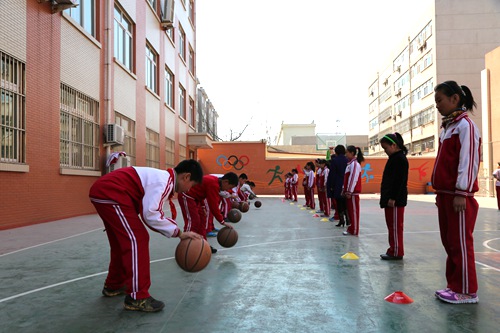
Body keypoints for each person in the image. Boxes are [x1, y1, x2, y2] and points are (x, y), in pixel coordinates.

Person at [89, 159, 203, 312]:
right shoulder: (163, 181)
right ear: (186, 177)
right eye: (192, 185)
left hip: (107, 192)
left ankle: (114, 285)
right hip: (111, 194)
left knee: (120, 242)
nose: (189, 190)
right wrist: (179, 233)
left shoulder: (162, 178)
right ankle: (138, 297)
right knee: (138, 239)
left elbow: (147, 209)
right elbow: (151, 214)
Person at [432, 80, 481, 304]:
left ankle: (467, 290)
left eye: (439, 100)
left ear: (454, 99)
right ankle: (454, 285)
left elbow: (468, 161)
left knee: (461, 242)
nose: (437, 106)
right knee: (450, 242)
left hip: (458, 196)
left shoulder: (465, 126)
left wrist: (462, 192)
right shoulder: (448, 127)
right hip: (445, 195)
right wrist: (440, 192)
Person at [178, 172, 238, 253]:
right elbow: (213, 205)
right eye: (228, 187)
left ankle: (203, 244)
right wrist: (222, 221)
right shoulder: (213, 184)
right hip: (186, 196)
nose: (227, 190)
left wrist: (202, 206)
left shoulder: (215, 182)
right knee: (193, 221)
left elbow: (201, 192)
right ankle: (185, 246)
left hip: (196, 199)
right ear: (225, 182)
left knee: (203, 219)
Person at [379, 133, 409, 260]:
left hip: (395, 200)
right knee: (391, 226)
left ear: (394, 145)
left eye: (386, 148)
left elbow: (399, 181)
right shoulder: (394, 158)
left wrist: (393, 198)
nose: (385, 151)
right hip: (390, 199)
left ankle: (396, 251)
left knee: (395, 227)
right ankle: (393, 249)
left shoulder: (400, 159)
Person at [342, 146, 364, 236]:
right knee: (351, 211)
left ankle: (354, 230)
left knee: (354, 211)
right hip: (350, 192)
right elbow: (346, 179)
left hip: (353, 192)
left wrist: (349, 191)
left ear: (352, 153)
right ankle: (352, 228)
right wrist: (344, 189)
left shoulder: (354, 164)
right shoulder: (350, 164)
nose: (346, 154)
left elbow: (353, 178)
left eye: (347, 152)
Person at [330, 145, 348, 226]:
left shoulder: (335, 160)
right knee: (345, 203)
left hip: (338, 183)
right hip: (346, 183)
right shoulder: (347, 160)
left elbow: (332, 175)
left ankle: (341, 220)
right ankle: (348, 219)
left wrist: (331, 186)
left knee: (339, 202)